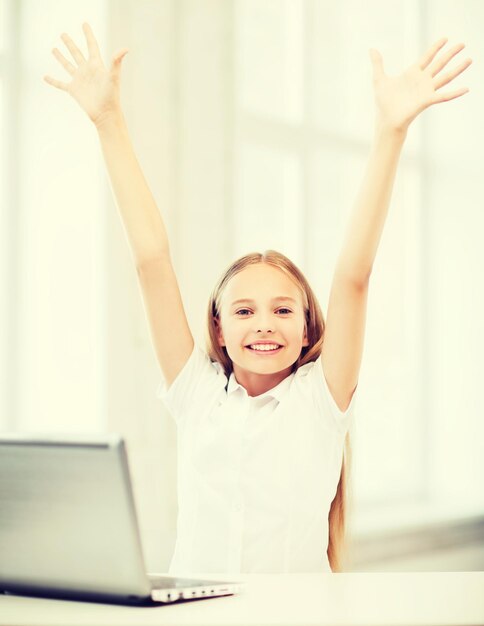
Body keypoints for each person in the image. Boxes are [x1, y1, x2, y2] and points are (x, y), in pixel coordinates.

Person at [44, 23, 472, 574]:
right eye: (244, 311)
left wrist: (391, 131)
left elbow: (353, 274)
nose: (264, 324)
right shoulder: (197, 393)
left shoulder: (321, 399)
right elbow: (152, 261)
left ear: (309, 328)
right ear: (218, 329)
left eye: (283, 310)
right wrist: (108, 121)